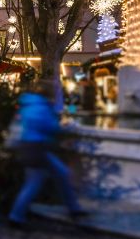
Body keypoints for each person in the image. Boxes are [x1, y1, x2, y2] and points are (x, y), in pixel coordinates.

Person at [8, 79, 87, 228]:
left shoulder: (28, 104)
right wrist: (65, 128)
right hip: (38, 148)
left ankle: (73, 208)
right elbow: (50, 127)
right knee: (35, 183)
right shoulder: (42, 107)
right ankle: (16, 216)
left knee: (59, 174)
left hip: (28, 147)